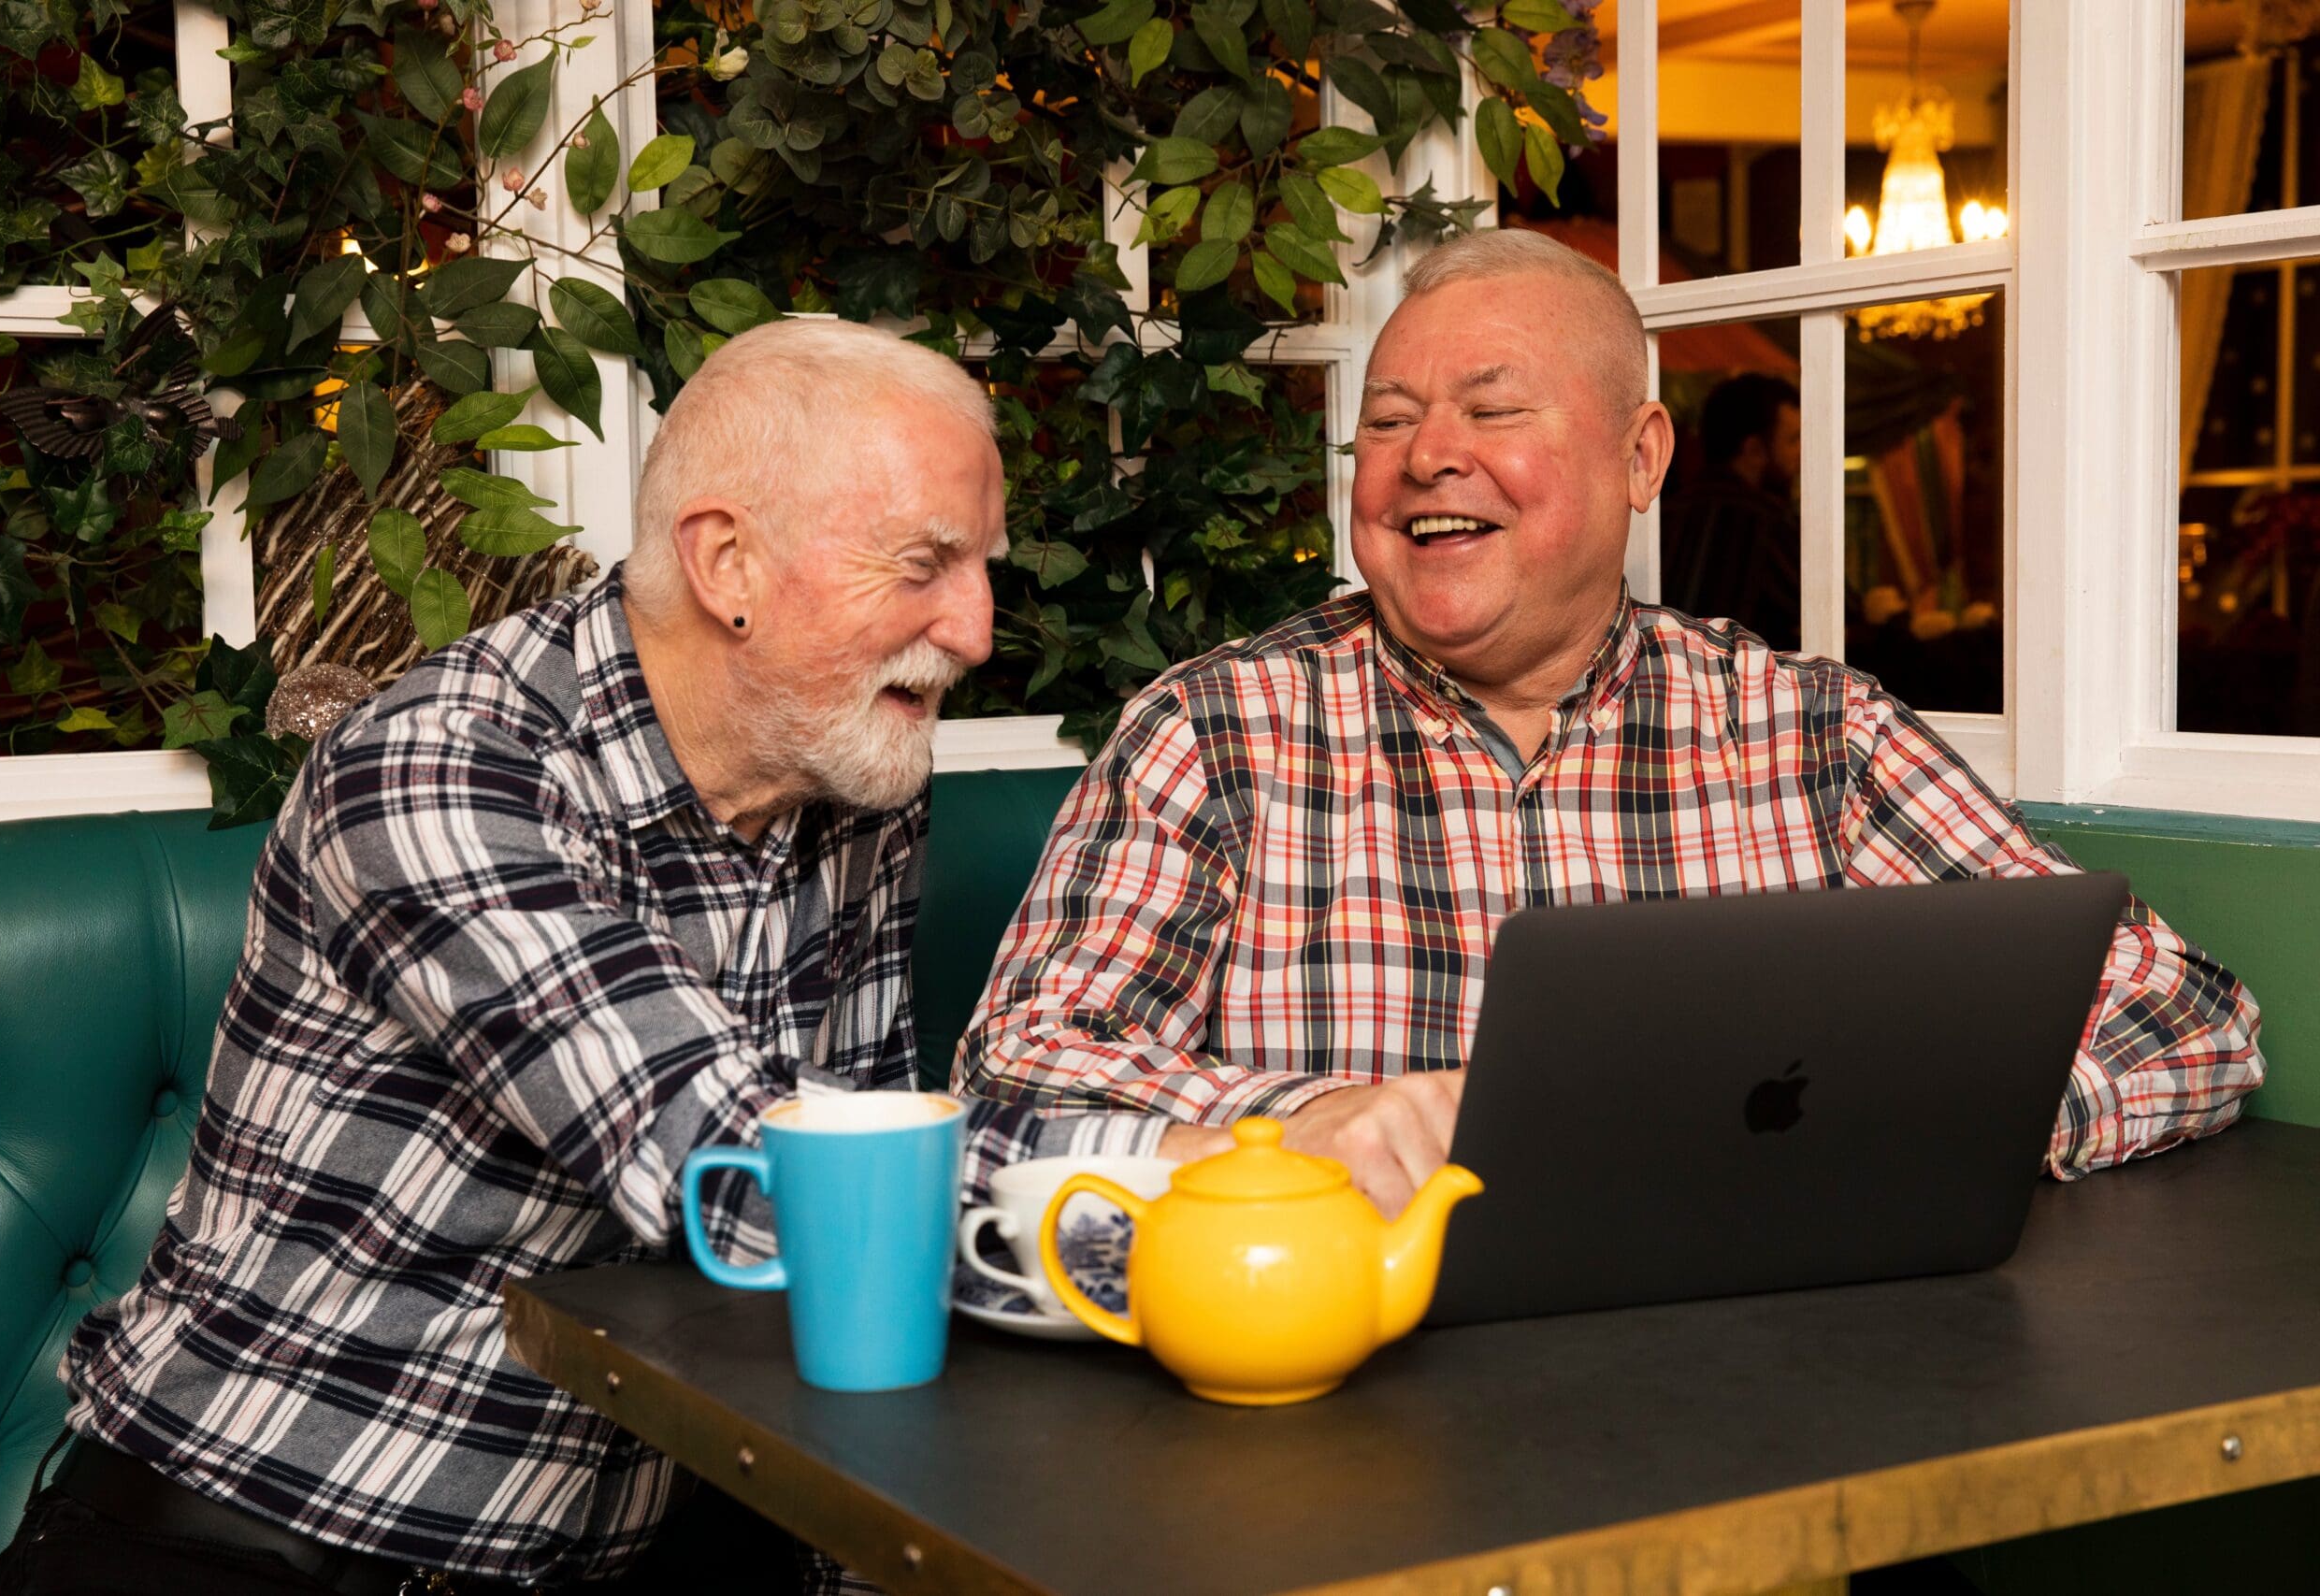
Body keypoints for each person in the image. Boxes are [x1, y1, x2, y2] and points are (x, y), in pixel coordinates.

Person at [0, 319, 1191, 1596]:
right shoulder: (446, 767)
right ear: (728, 561)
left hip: (625, 1543)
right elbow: (751, 1169)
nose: (976, 627)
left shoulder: (848, 771)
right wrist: (1206, 1181)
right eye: (923, 564)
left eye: (980, 568)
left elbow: (847, 1242)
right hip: (254, 1539)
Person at [956, 228, 2264, 1222]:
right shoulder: (1214, 733)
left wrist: (1932, 1127)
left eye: (1492, 408)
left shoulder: (1810, 734)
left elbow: (2186, 1012)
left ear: (1642, 458)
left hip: (1759, 1415)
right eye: (1390, 423)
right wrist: (1296, 1123)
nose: (1426, 456)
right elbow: (1011, 1088)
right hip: (1347, 1453)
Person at [1660, 370, 1803, 649]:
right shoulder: (1768, 523)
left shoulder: (1661, 515)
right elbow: (1836, 612)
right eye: (1793, 440)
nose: (1802, 453)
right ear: (1753, 451)